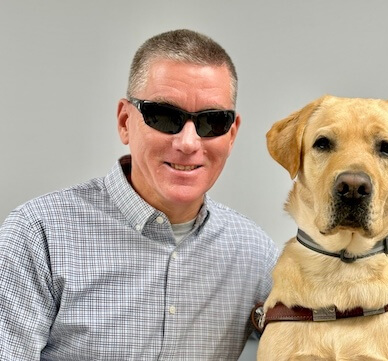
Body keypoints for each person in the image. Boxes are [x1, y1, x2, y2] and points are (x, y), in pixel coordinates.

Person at [0, 29, 279, 360]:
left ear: (231, 135)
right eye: (164, 116)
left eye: (212, 122)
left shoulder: (256, 256)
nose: (189, 143)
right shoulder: (39, 236)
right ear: (124, 122)